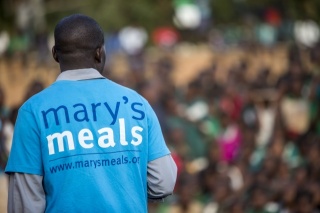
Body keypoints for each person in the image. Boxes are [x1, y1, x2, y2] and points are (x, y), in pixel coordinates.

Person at [5, 14, 177, 213]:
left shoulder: (32, 111)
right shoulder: (136, 104)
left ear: (54, 54)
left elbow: (24, 205)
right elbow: (163, 182)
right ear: (99, 52)